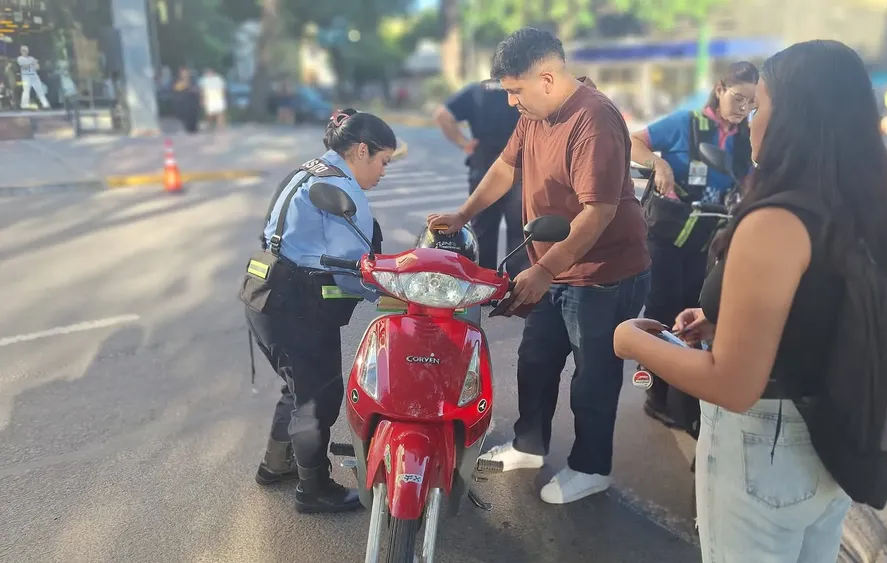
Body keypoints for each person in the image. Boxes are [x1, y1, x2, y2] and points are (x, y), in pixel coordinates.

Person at [613, 40, 887, 561]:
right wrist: (725, 320)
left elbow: (732, 385)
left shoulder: (777, 221)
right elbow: (829, 309)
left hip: (764, 449)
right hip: (833, 443)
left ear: (793, 117)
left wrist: (633, 342)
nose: (750, 121)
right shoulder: (879, 210)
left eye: (760, 104)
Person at [428, 28, 651, 505]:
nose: (511, 102)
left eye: (515, 90)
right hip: (554, 267)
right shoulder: (534, 115)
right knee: (535, 359)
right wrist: (464, 215)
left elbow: (599, 212)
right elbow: (504, 168)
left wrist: (545, 270)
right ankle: (529, 446)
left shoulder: (593, 119)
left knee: (593, 376)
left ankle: (592, 468)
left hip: (602, 274)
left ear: (546, 79)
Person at [246, 108, 396, 513]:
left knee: (298, 387)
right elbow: (354, 272)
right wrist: (392, 291)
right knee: (317, 399)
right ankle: (314, 490)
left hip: (264, 295)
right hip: (298, 307)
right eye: (383, 161)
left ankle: (276, 465)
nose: (383, 172)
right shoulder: (343, 189)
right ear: (362, 150)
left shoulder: (309, 170)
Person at [629, 61, 757, 433]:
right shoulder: (685, 124)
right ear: (719, 89)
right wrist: (659, 164)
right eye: (738, 97)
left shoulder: (745, 139)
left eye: (752, 102)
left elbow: (750, 182)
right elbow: (634, 141)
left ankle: (681, 395)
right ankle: (655, 395)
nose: (743, 108)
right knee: (660, 311)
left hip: (708, 242)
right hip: (667, 237)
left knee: (695, 314)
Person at [433, 79, 524, 274]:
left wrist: (464, 143)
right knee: (520, 234)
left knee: (483, 232)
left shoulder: (478, 90)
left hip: (483, 167)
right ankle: (517, 286)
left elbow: (442, 115)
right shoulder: (522, 90)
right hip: (520, 167)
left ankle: (484, 283)